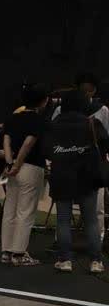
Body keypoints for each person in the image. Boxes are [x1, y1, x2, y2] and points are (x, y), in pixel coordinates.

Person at [46, 90, 108, 273]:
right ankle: (96, 261)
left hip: (61, 176)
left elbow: (46, 150)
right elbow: (105, 145)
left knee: (63, 220)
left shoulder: (54, 124)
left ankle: (65, 260)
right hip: (87, 177)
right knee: (91, 221)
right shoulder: (92, 123)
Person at [51, 72, 109, 241]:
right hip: (68, 165)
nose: (86, 93)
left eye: (89, 90)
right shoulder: (60, 110)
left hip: (88, 166)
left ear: (94, 90)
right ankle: (63, 244)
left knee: (95, 210)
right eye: (83, 89)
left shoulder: (102, 110)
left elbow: (106, 137)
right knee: (66, 212)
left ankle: (97, 241)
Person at [0, 84, 50, 266]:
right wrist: (17, 164)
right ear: (43, 101)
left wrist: (10, 163)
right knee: (25, 211)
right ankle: (19, 254)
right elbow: (29, 143)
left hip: (11, 167)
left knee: (10, 209)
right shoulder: (38, 120)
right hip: (31, 167)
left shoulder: (12, 118)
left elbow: (6, 141)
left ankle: (6, 251)